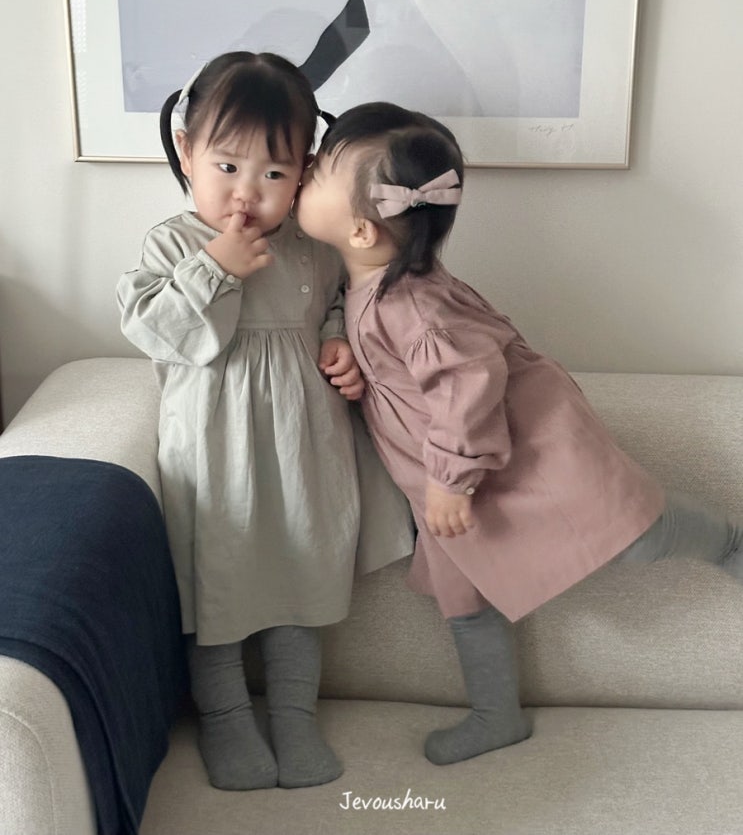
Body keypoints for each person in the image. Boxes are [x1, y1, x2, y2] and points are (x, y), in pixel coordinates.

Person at [296, 100, 743, 767]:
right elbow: (374, 344)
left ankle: (729, 542)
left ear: (360, 230)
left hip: (516, 460)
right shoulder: (365, 282)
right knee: (461, 596)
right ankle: (496, 712)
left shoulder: (413, 305)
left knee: (633, 535)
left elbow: (469, 380)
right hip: (445, 488)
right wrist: (343, 346)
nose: (304, 168)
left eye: (319, 169)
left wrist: (451, 479)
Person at [117, 56, 413, 791]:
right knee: (216, 590)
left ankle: (293, 714)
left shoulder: (313, 247)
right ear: (186, 151)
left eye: (274, 173)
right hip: (215, 457)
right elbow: (160, 333)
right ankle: (225, 718)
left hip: (303, 450)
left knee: (301, 582)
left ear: (304, 172)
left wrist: (341, 343)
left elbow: (342, 303)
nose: (246, 192)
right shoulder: (173, 245)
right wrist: (216, 266)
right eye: (226, 166)